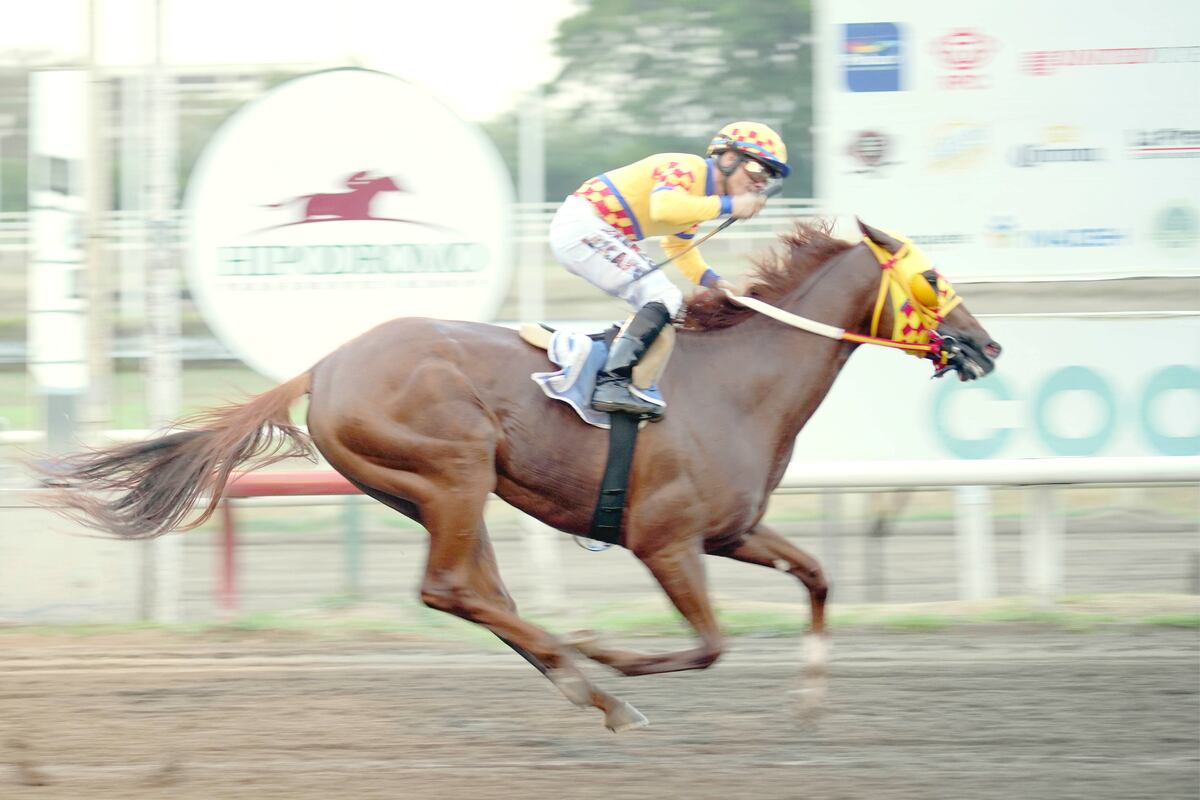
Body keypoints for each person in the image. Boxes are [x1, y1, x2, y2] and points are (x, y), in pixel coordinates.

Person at [549, 122, 789, 418]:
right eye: (755, 169)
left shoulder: (696, 203)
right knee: (663, 296)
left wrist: (718, 283)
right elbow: (664, 207)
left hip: (595, 230)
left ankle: (605, 362)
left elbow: (677, 247)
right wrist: (729, 204)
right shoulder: (687, 168)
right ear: (728, 159)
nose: (759, 182)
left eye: (767, 177)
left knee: (662, 301)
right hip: (586, 224)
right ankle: (611, 384)